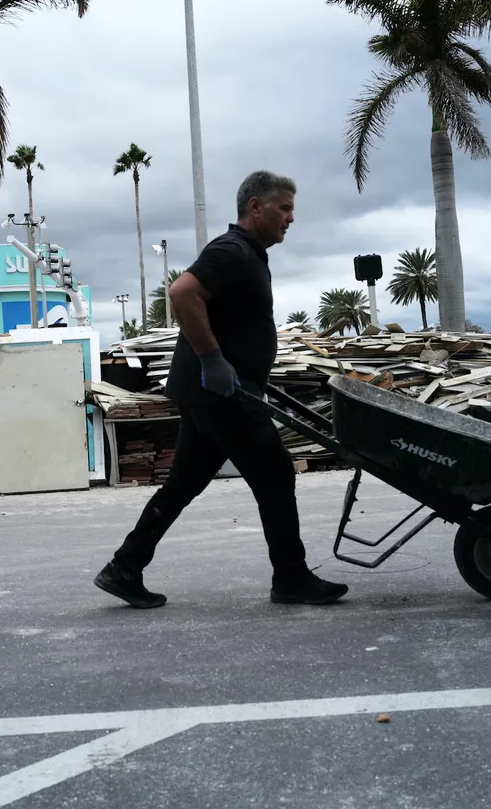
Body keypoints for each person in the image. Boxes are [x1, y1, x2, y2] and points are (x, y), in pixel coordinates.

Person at [95, 171, 348, 608]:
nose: (291, 217)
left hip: (218, 392)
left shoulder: (249, 253)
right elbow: (182, 292)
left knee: (183, 484)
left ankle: (124, 567)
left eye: (292, 208)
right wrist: (213, 361)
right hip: (222, 393)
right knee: (275, 474)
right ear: (255, 207)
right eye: (283, 208)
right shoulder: (232, 251)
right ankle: (291, 578)